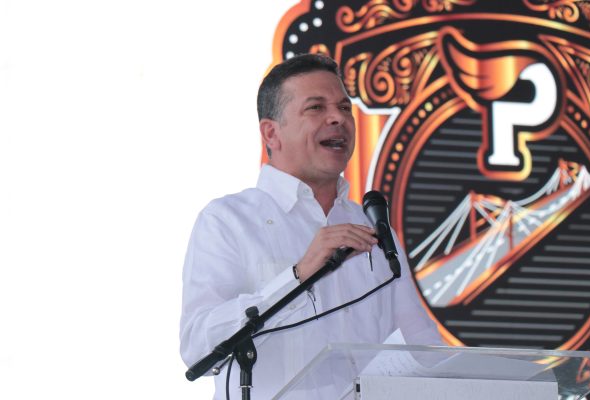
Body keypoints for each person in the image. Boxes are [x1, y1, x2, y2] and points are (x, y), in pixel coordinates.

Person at [179, 54, 443, 399]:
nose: (338, 118)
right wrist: (298, 276)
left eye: (344, 108)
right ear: (271, 133)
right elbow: (197, 346)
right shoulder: (228, 221)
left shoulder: (373, 229)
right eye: (316, 108)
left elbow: (422, 348)